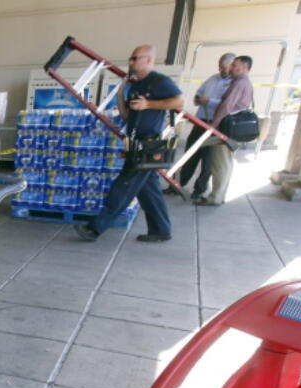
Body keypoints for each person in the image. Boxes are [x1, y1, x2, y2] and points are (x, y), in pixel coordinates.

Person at [76, 44, 184, 244]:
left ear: (149, 60)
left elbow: (179, 102)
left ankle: (95, 228)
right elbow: (129, 117)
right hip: (135, 142)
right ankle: (161, 229)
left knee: (123, 186)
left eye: (135, 58)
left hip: (147, 144)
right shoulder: (136, 85)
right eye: (131, 58)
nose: (131, 62)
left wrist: (149, 104)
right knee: (149, 190)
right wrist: (120, 97)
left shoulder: (160, 81)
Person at [166, 53, 233, 200]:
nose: (221, 69)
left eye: (224, 67)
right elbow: (198, 94)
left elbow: (226, 104)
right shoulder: (212, 79)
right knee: (190, 153)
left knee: (207, 159)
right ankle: (177, 184)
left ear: (232, 66)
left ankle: (199, 190)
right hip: (200, 121)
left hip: (215, 124)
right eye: (220, 66)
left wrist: (209, 101)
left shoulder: (233, 84)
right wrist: (198, 99)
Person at [196, 55, 254, 207]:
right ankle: (219, 195)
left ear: (245, 68)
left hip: (226, 128)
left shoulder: (239, 83)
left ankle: (215, 197)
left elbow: (226, 106)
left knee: (220, 164)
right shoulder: (244, 83)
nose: (232, 68)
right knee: (226, 163)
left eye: (236, 65)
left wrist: (214, 126)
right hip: (233, 129)